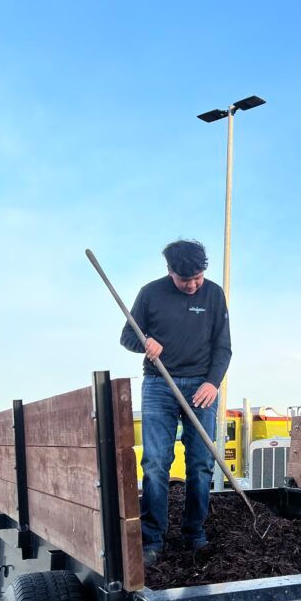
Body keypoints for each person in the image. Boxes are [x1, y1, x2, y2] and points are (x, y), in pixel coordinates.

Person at [120, 239, 231, 566]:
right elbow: (127, 336)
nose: (193, 284)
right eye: (186, 280)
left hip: (201, 388)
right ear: (170, 272)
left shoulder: (213, 295)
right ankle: (153, 537)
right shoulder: (150, 293)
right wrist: (145, 341)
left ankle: (194, 532)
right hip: (158, 385)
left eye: (198, 277)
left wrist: (213, 382)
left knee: (200, 463)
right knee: (156, 463)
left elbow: (223, 347)